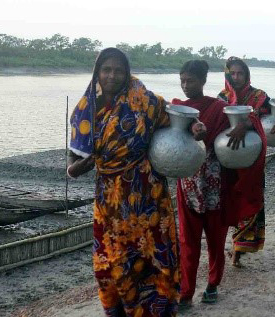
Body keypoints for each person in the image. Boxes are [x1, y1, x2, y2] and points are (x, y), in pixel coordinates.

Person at [67, 48, 205, 317]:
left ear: (127, 72)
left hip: (149, 197)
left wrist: (196, 128)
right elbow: (72, 159)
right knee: (111, 263)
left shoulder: (145, 101)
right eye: (106, 69)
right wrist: (75, 170)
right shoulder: (85, 110)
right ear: (97, 71)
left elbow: (177, 121)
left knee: (155, 260)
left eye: (118, 70)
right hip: (110, 201)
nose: (112, 75)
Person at [172, 60, 266, 308]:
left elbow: (254, 122)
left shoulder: (219, 108)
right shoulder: (178, 109)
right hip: (188, 186)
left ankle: (213, 284)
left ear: (203, 81)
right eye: (181, 80)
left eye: (189, 80)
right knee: (187, 243)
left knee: (215, 241)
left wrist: (243, 126)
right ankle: (186, 292)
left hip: (216, 186)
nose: (184, 86)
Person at [218, 56, 275, 266]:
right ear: (228, 74)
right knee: (230, 200)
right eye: (233, 73)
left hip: (253, 158)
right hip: (229, 156)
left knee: (250, 199)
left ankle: (239, 249)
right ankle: (232, 245)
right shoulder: (222, 98)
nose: (237, 77)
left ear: (247, 74)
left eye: (241, 73)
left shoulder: (259, 96)